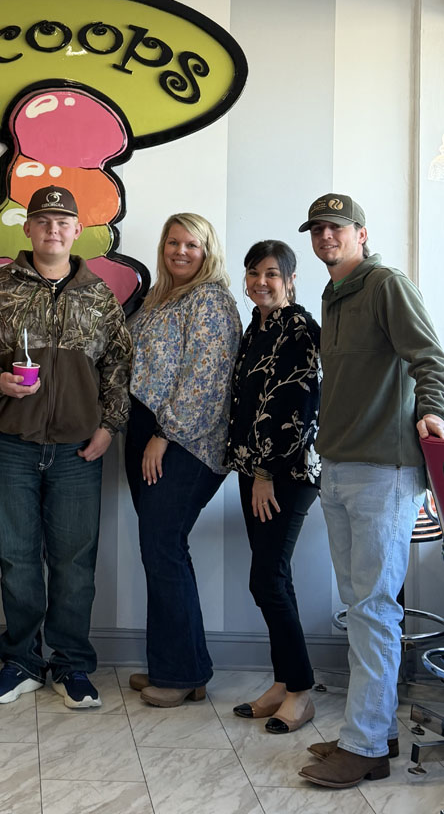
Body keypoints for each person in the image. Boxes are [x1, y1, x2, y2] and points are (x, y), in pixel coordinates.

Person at [0, 186, 131, 710]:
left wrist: (110, 426)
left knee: (75, 562)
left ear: (77, 231)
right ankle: (22, 662)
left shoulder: (99, 295)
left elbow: (118, 363)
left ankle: (72, 663)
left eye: (63, 222)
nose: (53, 229)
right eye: (43, 221)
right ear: (28, 228)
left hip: (78, 449)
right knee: (17, 559)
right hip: (10, 444)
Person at [296, 193, 444, 788]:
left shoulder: (386, 284)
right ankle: (374, 731)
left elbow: (429, 357)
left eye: (337, 228)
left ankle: (364, 748)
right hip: (338, 466)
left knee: (375, 610)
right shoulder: (335, 293)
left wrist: (433, 411)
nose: (326, 237)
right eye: (317, 230)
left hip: (385, 469)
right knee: (362, 609)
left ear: (361, 232)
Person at [126, 213, 240, 708]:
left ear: (207, 250)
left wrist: (164, 435)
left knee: (163, 546)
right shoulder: (160, 297)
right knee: (163, 549)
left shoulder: (211, 300)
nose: (180, 251)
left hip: (186, 443)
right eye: (173, 242)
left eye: (191, 244)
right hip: (147, 432)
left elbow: (206, 379)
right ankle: (180, 667)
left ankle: (179, 674)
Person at [226, 240, 321, 733]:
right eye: (253, 273)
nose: (260, 282)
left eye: (271, 274)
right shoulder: (257, 326)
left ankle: (301, 691)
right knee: (273, 578)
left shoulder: (299, 327)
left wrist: (264, 473)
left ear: (290, 279)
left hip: (287, 472)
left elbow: (297, 406)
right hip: (255, 469)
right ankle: (284, 683)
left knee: (266, 579)